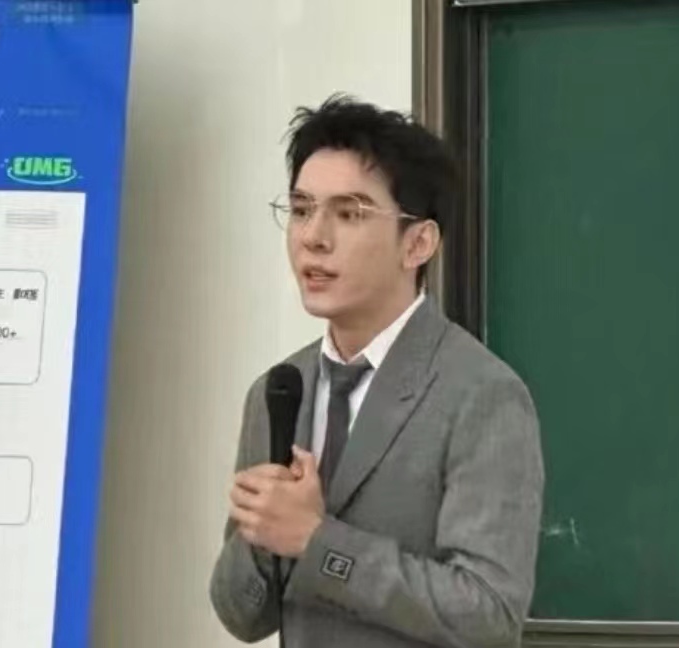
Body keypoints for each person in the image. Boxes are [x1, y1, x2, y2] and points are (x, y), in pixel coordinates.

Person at [209, 95, 544, 648]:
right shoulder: (278, 391)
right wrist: (263, 534)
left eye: (349, 214)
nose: (314, 237)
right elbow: (242, 618)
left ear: (418, 243)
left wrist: (317, 542)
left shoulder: (481, 395)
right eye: (301, 210)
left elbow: (488, 617)